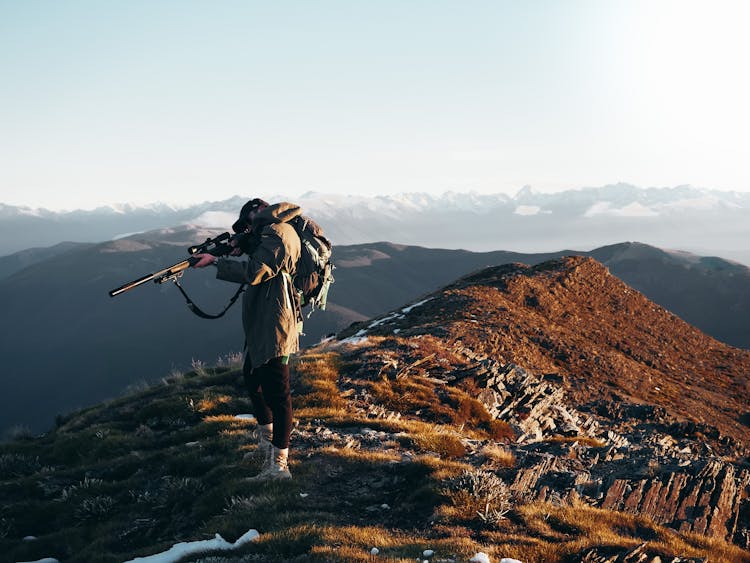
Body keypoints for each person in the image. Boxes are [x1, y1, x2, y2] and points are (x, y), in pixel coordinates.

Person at [192, 198, 302, 480]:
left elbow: (257, 271)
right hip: (263, 320)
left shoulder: (278, 233)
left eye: (247, 224)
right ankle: (267, 444)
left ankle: (280, 465)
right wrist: (241, 246)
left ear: (257, 215)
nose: (247, 230)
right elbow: (260, 258)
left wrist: (217, 262)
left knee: (278, 391)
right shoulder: (270, 232)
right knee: (253, 380)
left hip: (275, 322)